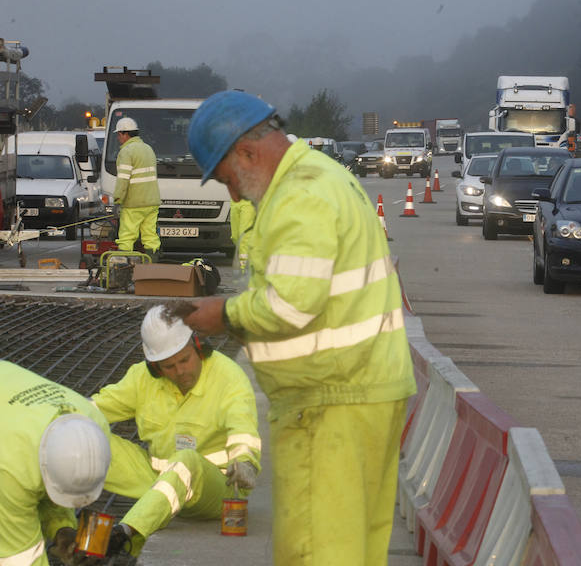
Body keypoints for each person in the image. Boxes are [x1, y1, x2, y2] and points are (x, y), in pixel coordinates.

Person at [182, 90, 416, 565]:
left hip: (328, 405)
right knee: (354, 550)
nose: (232, 193)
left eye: (227, 178)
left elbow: (290, 305)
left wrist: (222, 315)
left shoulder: (298, 195)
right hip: (363, 394)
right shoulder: (325, 176)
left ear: (246, 152)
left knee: (316, 552)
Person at [91, 305, 261, 560]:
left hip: (215, 491)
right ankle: (67, 532)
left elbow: (242, 425)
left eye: (184, 359)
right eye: (168, 366)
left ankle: (125, 534)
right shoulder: (142, 379)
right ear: (154, 367)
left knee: (187, 459)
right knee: (85, 441)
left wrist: (245, 460)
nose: (181, 371)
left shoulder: (228, 378)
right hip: (158, 479)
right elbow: (92, 409)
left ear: (199, 347)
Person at [0, 361, 111, 566]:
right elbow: (21, 559)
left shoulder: (94, 422)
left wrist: (62, 530)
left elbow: (50, 478)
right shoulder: (10, 471)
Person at [112, 117, 162, 262]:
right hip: (152, 202)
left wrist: (117, 200)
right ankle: (152, 268)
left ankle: (123, 268)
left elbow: (123, 179)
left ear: (124, 134)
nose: (118, 138)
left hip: (134, 203)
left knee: (127, 236)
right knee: (150, 236)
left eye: (118, 135)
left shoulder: (127, 151)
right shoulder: (148, 149)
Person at [229, 199, 256, 275]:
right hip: (235, 202)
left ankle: (245, 269)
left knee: (244, 237)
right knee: (235, 237)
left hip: (248, 203)